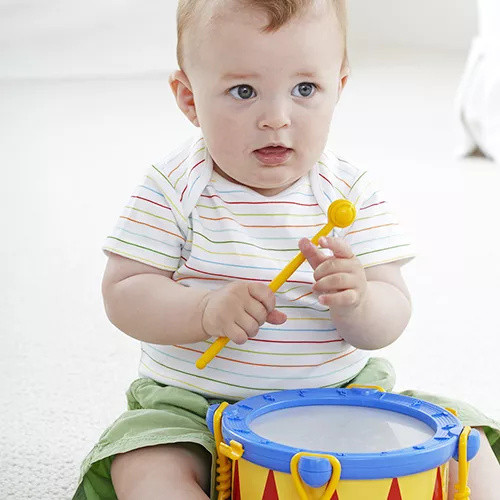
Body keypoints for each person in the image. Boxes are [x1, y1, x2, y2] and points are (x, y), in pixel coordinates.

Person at [73, 1, 500, 498]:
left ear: (337, 88)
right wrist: (205, 309)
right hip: (197, 404)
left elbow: (391, 314)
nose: (276, 118)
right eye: (243, 91)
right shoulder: (173, 186)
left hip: (337, 398)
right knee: (145, 464)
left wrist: (359, 303)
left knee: (463, 444)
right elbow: (125, 292)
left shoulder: (350, 192)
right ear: (189, 98)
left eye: (304, 89)